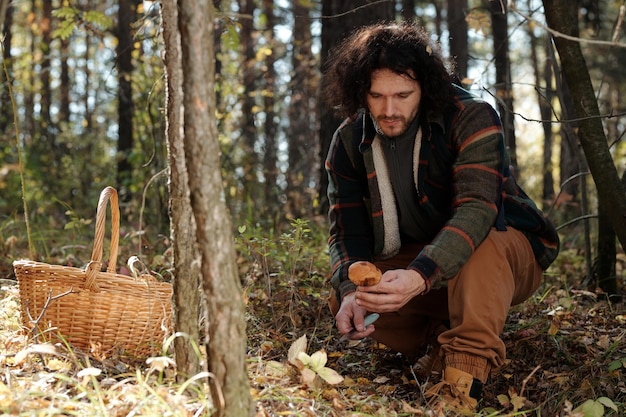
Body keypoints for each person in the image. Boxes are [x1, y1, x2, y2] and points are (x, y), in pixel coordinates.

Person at [322, 21, 560, 413]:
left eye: (402, 95)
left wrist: (417, 277)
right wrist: (350, 291)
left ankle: (461, 383)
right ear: (359, 92)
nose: (389, 109)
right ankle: (438, 338)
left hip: (503, 253)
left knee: (479, 245)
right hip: (425, 264)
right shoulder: (349, 139)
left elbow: (477, 210)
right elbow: (346, 234)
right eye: (376, 96)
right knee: (345, 291)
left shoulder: (470, 117)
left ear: (426, 88)